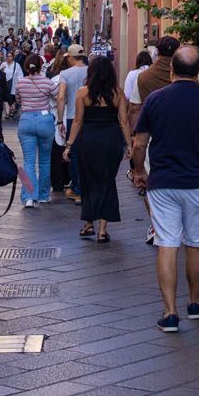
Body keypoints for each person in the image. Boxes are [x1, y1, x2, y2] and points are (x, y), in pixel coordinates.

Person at [130, 45, 199, 333]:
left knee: (167, 242)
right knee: (197, 242)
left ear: (172, 70)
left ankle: (170, 312)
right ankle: (195, 302)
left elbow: (140, 143)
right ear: (198, 71)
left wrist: (139, 170)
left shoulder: (155, 101)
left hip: (163, 183)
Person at [64, 56, 132, 242]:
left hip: (89, 140)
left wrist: (69, 145)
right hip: (111, 139)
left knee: (88, 180)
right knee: (107, 180)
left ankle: (88, 224)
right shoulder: (118, 93)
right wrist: (129, 145)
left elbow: (78, 121)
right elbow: (124, 121)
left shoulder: (82, 93)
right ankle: (102, 230)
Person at [14, 53, 59, 207]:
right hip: (45, 120)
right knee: (45, 161)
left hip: (26, 120)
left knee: (28, 162)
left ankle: (28, 197)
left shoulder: (20, 83)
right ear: (41, 67)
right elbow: (57, 95)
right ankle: (43, 195)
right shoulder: (47, 82)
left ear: (26, 67)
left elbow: (18, 100)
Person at [124, 49, 157, 245]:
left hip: (146, 131)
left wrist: (137, 170)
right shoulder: (156, 74)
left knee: (152, 183)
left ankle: (156, 225)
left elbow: (132, 102)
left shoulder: (137, 76)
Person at [55, 44, 89, 202]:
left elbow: (61, 97)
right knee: (87, 153)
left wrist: (60, 120)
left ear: (71, 58)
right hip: (89, 116)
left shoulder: (65, 74)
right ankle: (87, 186)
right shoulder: (91, 71)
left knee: (73, 154)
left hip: (72, 116)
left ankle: (77, 189)